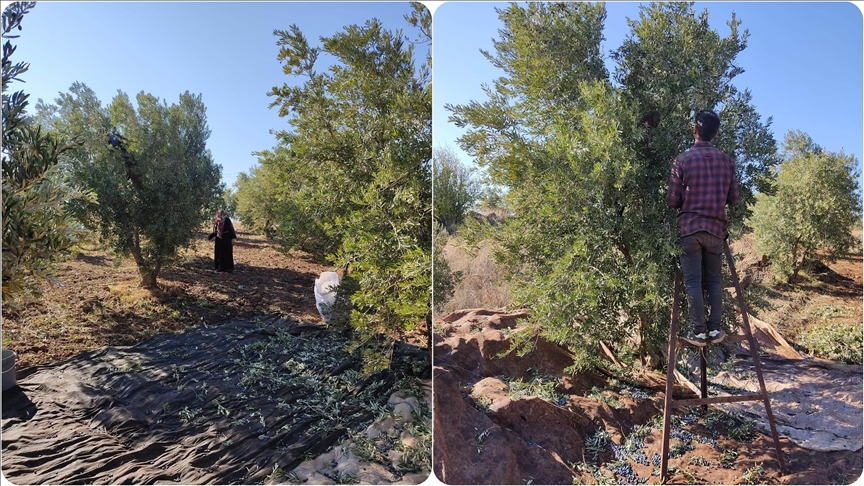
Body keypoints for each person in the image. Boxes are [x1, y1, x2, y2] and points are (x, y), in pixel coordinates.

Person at [667, 110, 740, 346]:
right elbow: (734, 198)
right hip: (716, 230)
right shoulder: (727, 162)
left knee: (693, 281)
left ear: (694, 130)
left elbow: (672, 200)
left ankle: (698, 332)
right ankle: (715, 330)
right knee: (714, 281)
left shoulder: (683, 160)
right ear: (716, 133)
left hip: (689, 228)